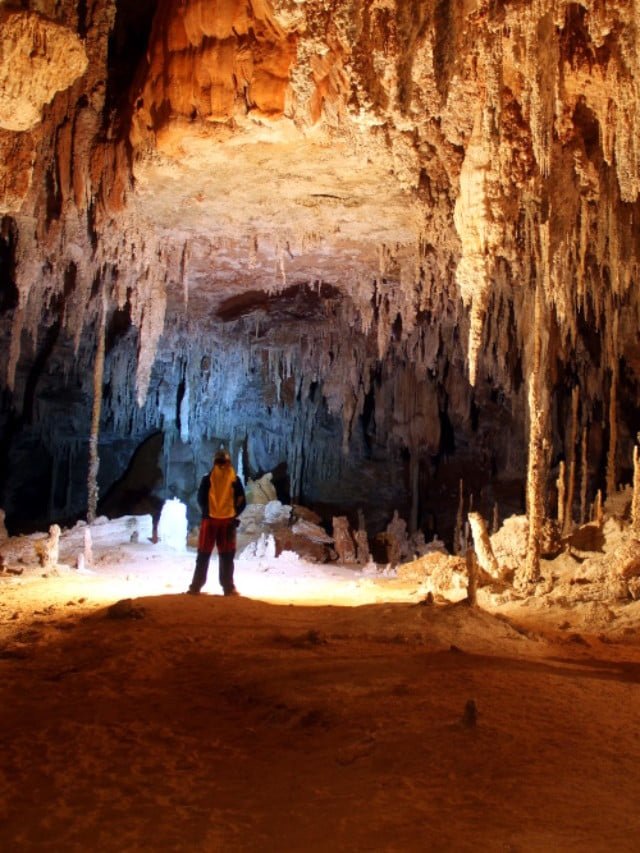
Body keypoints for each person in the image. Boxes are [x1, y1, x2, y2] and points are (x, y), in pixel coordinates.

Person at [187, 449, 246, 596]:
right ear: (228, 462)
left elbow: (200, 498)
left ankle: (196, 587)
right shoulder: (235, 479)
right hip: (227, 523)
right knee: (226, 556)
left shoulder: (207, 479)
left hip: (210, 522)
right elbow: (242, 500)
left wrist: (207, 512)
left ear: (214, 462)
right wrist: (234, 514)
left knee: (203, 554)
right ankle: (228, 587)